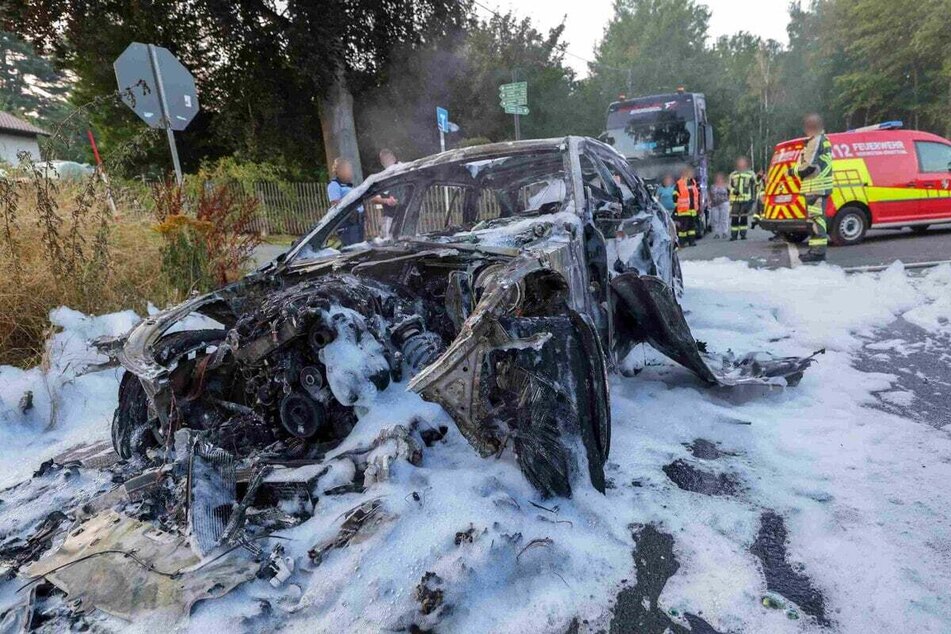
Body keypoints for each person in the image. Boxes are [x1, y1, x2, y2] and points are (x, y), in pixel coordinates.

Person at [789, 113, 833, 263]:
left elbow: (808, 166)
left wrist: (792, 171)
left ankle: (818, 252)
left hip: (816, 187)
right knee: (814, 220)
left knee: (816, 220)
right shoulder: (822, 140)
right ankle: (815, 251)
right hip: (816, 187)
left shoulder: (816, 141)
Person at [327, 158, 364, 246]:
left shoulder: (349, 186)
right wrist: (352, 212)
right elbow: (336, 204)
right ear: (339, 170)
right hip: (349, 223)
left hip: (358, 221)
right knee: (353, 248)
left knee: (360, 247)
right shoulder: (334, 185)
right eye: (348, 170)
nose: (351, 172)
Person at [371, 148, 400, 238]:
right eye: (384, 160)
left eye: (388, 158)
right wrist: (386, 201)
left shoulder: (403, 173)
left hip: (406, 215)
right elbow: (374, 198)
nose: (386, 162)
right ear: (382, 162)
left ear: (394, 159)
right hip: (389, 217)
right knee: (390, 241)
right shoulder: (382, 178)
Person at [728, 156, 756, 240]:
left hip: (746, 200)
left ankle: (743, 235)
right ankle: (733, 236)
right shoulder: (733, 174)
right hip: (735, 200)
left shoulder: (750, 174)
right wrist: (733, 191)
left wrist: (759, 178)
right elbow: (729, 185)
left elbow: (756, 184)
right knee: (734, 218)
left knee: (744, 218)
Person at [672, 167, 700, 246]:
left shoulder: (693, 182)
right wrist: (677, 208)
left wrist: (697, 207)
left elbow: (696, 196)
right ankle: (682, 243)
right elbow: (675, 196)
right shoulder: (680, 183)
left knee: (691, 228)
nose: (691, 174)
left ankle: (692, 242)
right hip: (683, 211)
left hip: (692, 210)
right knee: (683, 229)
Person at [708, 172, 730, 238]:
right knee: (715, 219)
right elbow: (710, 195)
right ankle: (716, 233)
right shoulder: (713, 186)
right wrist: (709, 202)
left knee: (724, 218)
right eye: (717, 178)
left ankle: (724, 232)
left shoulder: (726, 186)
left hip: (724, 203)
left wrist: (729, 200)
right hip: (714, 205)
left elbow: (730, 193)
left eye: (720, 178)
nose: (718, 179)